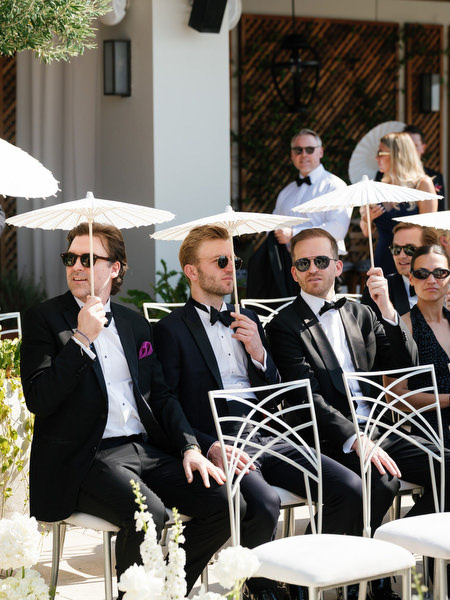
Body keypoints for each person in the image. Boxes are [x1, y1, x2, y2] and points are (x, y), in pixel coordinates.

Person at [20, 223, 231, 598]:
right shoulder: (44, 319)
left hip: (145, 449)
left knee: (226, 502)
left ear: (115, 268)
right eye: (71, 258)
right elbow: (40, 398)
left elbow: (161, 396)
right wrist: (82, 339)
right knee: (149, 514)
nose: (77, 267)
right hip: (85, 457)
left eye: (89, 259)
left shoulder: (134, 322)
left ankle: (167, 589)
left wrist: (190, 447)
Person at [153, 225, 364, 600]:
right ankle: (259, 589)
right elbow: (166, 400)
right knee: (264, 505)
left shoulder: (248, 317)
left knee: (348, 487)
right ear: (191, 271)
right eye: (220, 261)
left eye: (234, 260)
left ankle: (299, 580)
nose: (231, 268)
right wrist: (206, 445)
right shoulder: (171, 329)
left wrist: (259, 353)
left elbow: (276, 386)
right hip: (221, 437)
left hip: (268, 431)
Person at [266, 227, 450, 600]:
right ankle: (338, 575)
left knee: (446, 466)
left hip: (381, 430)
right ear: (294, 272)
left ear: (337, 265)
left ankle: (394, 550)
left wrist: (387, 311)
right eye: (304, 262)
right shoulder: (283, 325)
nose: (313, 268)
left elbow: (405, 366)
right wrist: (355, 437)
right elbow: (307, 397)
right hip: (330, 436)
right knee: (381, 481)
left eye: (321, 261)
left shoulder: (361, 311)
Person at [384, 245, 450, 448]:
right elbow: (394, 397)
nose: (431, 280)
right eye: (422, 274)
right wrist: (448, 400)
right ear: (411, 280)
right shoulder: (403, 328)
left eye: (440, 273)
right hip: (428, 434)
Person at [360, 131, 438, 275]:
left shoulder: (422, 185)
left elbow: (429, 233)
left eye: (381, 153)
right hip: (383, 259)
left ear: (398, 155)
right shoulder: (378, 188)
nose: (376, 158)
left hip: (412, 261)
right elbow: (366, 232)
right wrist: (366, 219)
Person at [273, 128, 350, 255]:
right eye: (298, 150)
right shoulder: (285, 192)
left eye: (310, 150)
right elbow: (273, 224)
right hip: (288, 263)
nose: (304, 155)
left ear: (320, 152)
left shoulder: (335, 186)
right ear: (292, 155)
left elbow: (338, 229)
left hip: (324, 262)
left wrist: (294, 233)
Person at [361, 222, 433, 317]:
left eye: (410, 249)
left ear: (429, 249)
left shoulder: (444, 287)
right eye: (396, 249)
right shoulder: (378, 290)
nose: (401, 256)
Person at [403, 124, 446, 211]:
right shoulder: (385, 176)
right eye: (407, 146)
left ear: (423, 148)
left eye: (415, 146)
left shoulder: (435, 176)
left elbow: (440, 209)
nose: (410, 150)